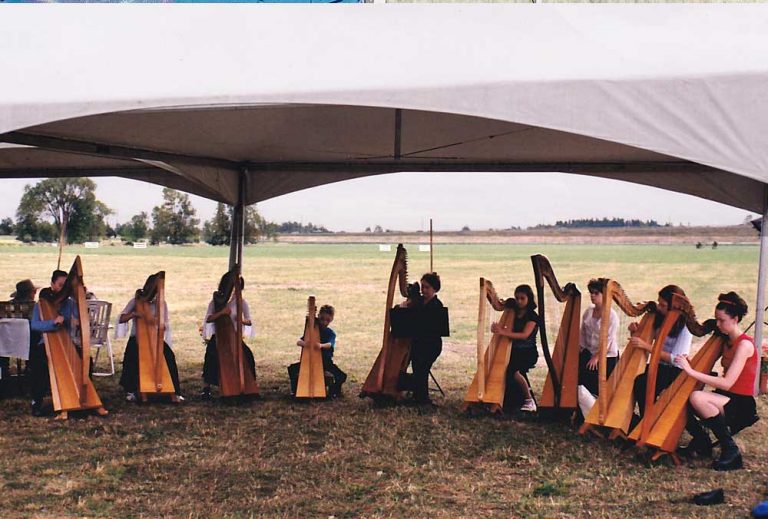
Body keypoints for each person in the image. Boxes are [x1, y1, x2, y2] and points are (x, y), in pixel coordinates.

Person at [677, 292, 759, 471]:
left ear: (735, 319)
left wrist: (691, 372)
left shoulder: (744, 345)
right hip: (726, 397)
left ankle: (731, 451)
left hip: (741, 404)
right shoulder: (725, 341)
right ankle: (702, 441)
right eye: (716, 319)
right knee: (684, 398)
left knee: (697, 397)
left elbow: (727, 383)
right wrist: (692, 365)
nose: (717, 324)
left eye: (722, 320)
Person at [29, 269, 107, 417]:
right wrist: (53, 323)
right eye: (59, 285)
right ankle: (36, 402)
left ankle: (87, 399)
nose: (62, 289)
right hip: (45, 344)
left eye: (65, 286)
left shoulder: (71, 304)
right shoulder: (40, 304)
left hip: (67, 344)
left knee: (86, 361)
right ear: (52, 284)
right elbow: (34, 325)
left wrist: (76, 322)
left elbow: (80, 324)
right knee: (40, 364)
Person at [631, 285, 691, 417]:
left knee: (642, 382)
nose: (659, 307)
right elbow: (648, 337)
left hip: (674, 370)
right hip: (659, 366)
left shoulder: (685, 327)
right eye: (659, 303)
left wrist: (646, 346)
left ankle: (647, 419)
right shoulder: (660, 317)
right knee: (637, 380)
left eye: (663, 305)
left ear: (674, 307)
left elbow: (676, 359)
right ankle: (646, 418)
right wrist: (635, 331)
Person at [116, 289, 182, 402]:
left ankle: (175, 390)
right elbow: (122, 318)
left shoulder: (162, 304)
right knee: (132, 354)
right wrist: (134, 314)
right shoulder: (135, 302)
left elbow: (165, 325)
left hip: (155, 338)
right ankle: (130, 390)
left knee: (169, 356)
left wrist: (155, 321)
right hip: (136, 337)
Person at [200, 277, 256, 400]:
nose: (236, 290)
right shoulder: (215, 302)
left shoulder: (242, 302)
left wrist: (241, 320)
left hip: (234, 336)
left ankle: (248, 386)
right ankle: (206, 388)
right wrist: (222, 313)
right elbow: (208, 319)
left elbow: (249, 321)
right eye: (234, 287)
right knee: (211, 355)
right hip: (219, 336)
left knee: (248, 355)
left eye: (239, 287)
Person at [491, 284, 539, 413]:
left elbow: (524, 335)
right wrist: (497, 329)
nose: (519, 301)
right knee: (503, 367)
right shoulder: (514, 311)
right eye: (517, 298)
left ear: (529, 298)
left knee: (513, 370)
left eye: (522, 298)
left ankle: (530, 401)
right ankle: (511, 400)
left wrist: (502, 332)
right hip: (515, 350)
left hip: (528, 352)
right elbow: (508, 329)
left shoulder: (532, 316)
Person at [288, 304, 346, 398]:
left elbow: (329, 344)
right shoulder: (311, 330)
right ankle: (295, 390)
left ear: (331, 319)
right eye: (322, 319)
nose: (324, 322)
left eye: (327, 320)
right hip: (309, 360)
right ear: (318, 316)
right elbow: (299, 342)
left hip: (325, 361)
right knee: (292, 369)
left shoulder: (330, 333)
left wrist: (320, 345)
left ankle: (334, 392)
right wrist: (306, 344)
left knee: (342, 376)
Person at [578, 279, 619, 397]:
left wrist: (597, 357)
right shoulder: (588, 311)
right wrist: (579, 349)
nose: (592, 296)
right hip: (590, 352)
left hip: (607, 356)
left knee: (590, 375)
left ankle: (593, 401)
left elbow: (608, 340)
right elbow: (583, 334)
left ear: (604, 295)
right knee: (576, 372)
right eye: (591, 292)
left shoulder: (612, 316)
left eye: (596, 293)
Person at [1, 279, 39, 398]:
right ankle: (30, 375)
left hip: (6, 343)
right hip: (29, 344)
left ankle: (4, 378)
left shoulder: (5, 307)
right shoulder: (35, 308)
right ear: (31, 293)